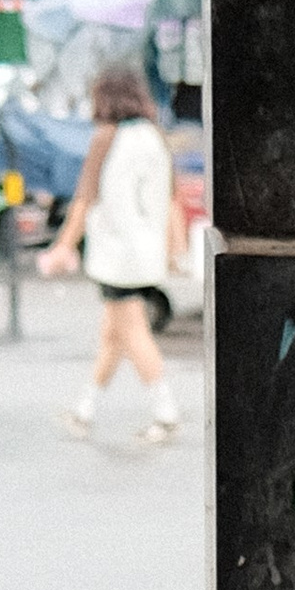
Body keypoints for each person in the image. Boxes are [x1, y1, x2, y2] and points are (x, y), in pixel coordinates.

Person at [41, 68, 184, 447]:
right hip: (145, 250)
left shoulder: (106, 137)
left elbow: (85, 200)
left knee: (132, 332)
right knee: (113, 334)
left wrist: (63, 247)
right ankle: (84, 409)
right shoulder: (154, 137)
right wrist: (174, 246)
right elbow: (171, 196)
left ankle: (165, 411)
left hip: (116, 253)